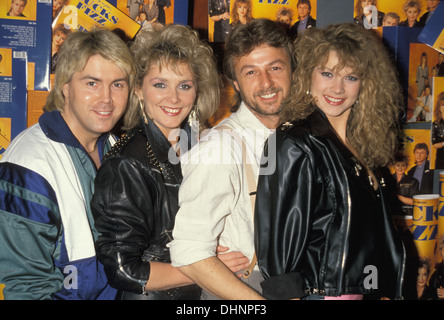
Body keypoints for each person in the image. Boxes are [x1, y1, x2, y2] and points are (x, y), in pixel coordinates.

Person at [91, 25, 248, 300]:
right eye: (160, 84)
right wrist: (203, 268)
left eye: (184, 86)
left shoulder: (197, 145)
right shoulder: (127, 163)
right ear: (138, 89)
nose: (173, 98)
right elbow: (122, 270)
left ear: (198, 90)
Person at [254, 23, 406, 300]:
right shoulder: (292, 143)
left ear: (366, 84)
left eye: (351, 77)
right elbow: (278, 247)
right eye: (327, 73)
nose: (337, 88)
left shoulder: (364, 147)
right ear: (307, 75)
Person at [0, 28, 135, 300]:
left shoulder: (114, 146)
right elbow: (27, 290)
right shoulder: (29, 165)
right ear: (65, 87)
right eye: (92, 83)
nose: (106, 98)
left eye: (117, 84)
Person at [169, 18, 294, 300]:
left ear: (292, 70)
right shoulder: (219, 147)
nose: (266, 83)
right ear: (235, 83)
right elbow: (189, 251)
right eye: (251, 72)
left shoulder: (300, 138)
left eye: (275, 67)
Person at [432, 92, 444, 169]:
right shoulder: (436, 123)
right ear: (439, 107)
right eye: (443, 105)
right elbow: (434, 145)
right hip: (441, 159)